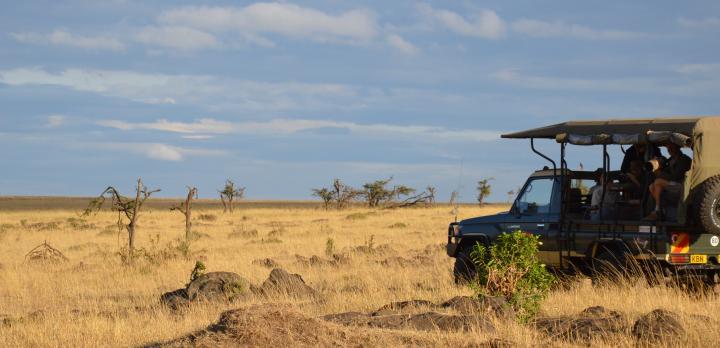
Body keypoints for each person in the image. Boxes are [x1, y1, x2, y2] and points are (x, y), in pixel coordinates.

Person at [645, 143, 692, 220]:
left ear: (678, 147)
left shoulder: (684, 159)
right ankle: (660, 209)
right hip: (672, 185)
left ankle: (657, 211)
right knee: (651, 186)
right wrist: (658, 167)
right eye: (668, 147)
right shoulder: (669, 160)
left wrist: (660, 173)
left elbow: (675, 177)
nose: (669, 149)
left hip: (682, 186)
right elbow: (666, 174)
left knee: (658, 182)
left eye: (671, 146)